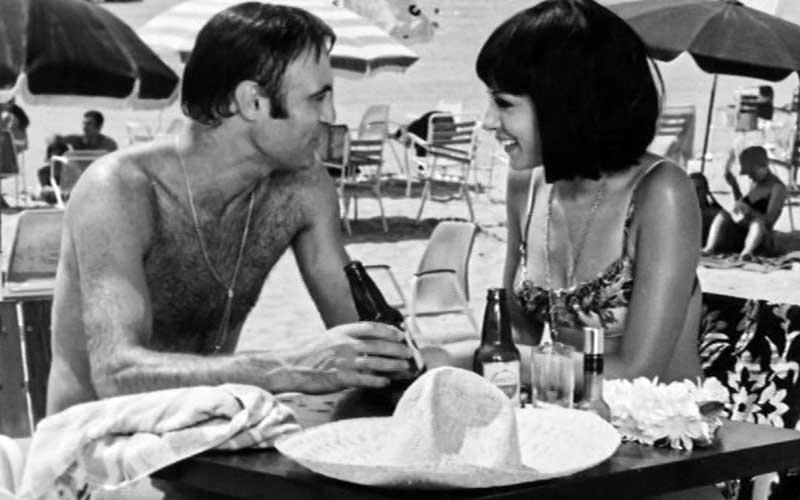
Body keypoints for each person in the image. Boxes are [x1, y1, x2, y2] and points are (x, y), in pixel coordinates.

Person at [47, 3, 416, 420]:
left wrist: (407, 358)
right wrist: (288, 367)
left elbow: (362, 329)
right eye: (317, 98)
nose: (331, 117)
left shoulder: (303, 186)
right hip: (95, 439)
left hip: (207, 429)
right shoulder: (119, 190)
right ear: (252, 102)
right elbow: (116, 374)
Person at [702, 145, 786, 260]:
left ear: (764, 166)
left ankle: (746, 253)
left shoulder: (777, 187)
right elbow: (743, 205)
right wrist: (734, 186)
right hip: (744, 230)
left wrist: (750, 212)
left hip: (761, 235)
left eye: (752, 173)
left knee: (757, 224)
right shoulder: (756, 183)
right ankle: (709, 248)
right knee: (723, 215)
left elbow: (769, 220)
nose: (750, 177)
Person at [689, 172, 723, 242]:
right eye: (691, 190)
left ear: (706, 191)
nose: (695, 193)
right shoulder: (681, 215)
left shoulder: (716, 216)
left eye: (698, 189)